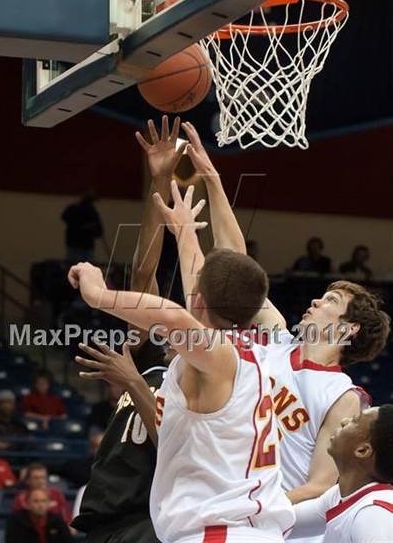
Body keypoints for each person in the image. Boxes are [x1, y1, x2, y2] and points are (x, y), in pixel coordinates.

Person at [164, 122, 390, 542]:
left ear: (350, 328)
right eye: (321, 296)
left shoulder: (342, 397)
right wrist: (212, 178)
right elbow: (234, 264)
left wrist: (250, 510)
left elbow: (322, 486)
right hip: (236, 519)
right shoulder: (275, 337)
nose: (315, 302)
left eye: (329, 303)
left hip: (278, 529)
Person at [68, 191, 294, 540]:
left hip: (218, 533)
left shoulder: (218, 356)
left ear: (199, 303)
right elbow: (197, 294)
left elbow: (174, 315)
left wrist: (97, 293)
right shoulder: (254, 349)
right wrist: (185, 231)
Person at [71, 116, 186, 543]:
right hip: (103, 517)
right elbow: (143, 270)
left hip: (146, 520)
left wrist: (132, 382)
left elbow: (175, 444)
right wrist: (159, 181)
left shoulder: (203, 386)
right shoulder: (153, 358)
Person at [291, 405, 393, 543]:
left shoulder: (373, 515)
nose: (344, 421)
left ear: (362, 451)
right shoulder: (339, 495)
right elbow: (281, 520)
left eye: (355, 421)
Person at [6, 488, 72, 543]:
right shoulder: (16, 521)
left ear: (48, 503)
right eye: (36, 501)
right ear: (27, 504)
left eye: (43, 501)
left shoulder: (57, 520)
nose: (40, 505)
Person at [61, 191, 103, 262]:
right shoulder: (90, 212)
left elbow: (99, 231)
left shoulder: (90, 212)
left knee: (74, 268)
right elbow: (99, 231)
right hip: (78, 246)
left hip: (81, 246)